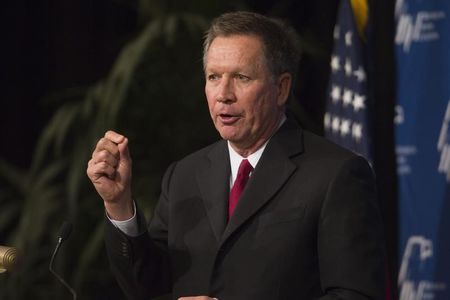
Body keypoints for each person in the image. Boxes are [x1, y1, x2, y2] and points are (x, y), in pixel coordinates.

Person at [87, 11, 385, 300]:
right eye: (214, 77)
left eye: (241, 77)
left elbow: (354, 295)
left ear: (281, 89)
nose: (223, 94)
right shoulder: (184, 175)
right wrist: (119, 203)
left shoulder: (336, 174)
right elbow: (146, 286)